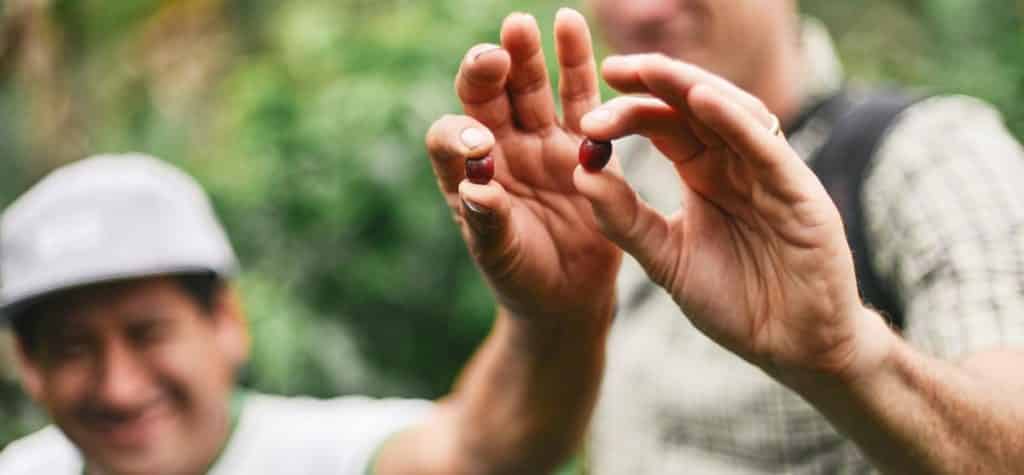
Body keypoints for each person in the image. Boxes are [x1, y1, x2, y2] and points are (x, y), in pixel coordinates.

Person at [426, 6, 1024, 474]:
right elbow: (481, 447)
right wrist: (562, 317)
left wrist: (849, 358)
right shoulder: (606, 169)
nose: (642, 10)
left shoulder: (937, 155)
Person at [0, 151, 618, 474]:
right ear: (29, 364)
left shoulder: (329, 457)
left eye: (148, 333)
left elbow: (489, 451)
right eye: (73, 348)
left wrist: (558, 312)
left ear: (226, 323)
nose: (121, 387)